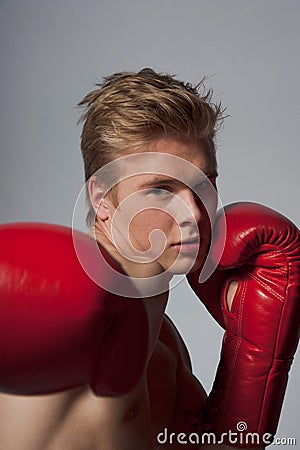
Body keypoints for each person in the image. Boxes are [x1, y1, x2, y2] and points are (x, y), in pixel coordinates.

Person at [0, 68, 299, 450]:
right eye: (160, 189)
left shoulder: (164, 344)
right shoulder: (55, 324)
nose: (193, 212)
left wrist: (253, 355)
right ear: (101, 198)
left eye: (203, 184)